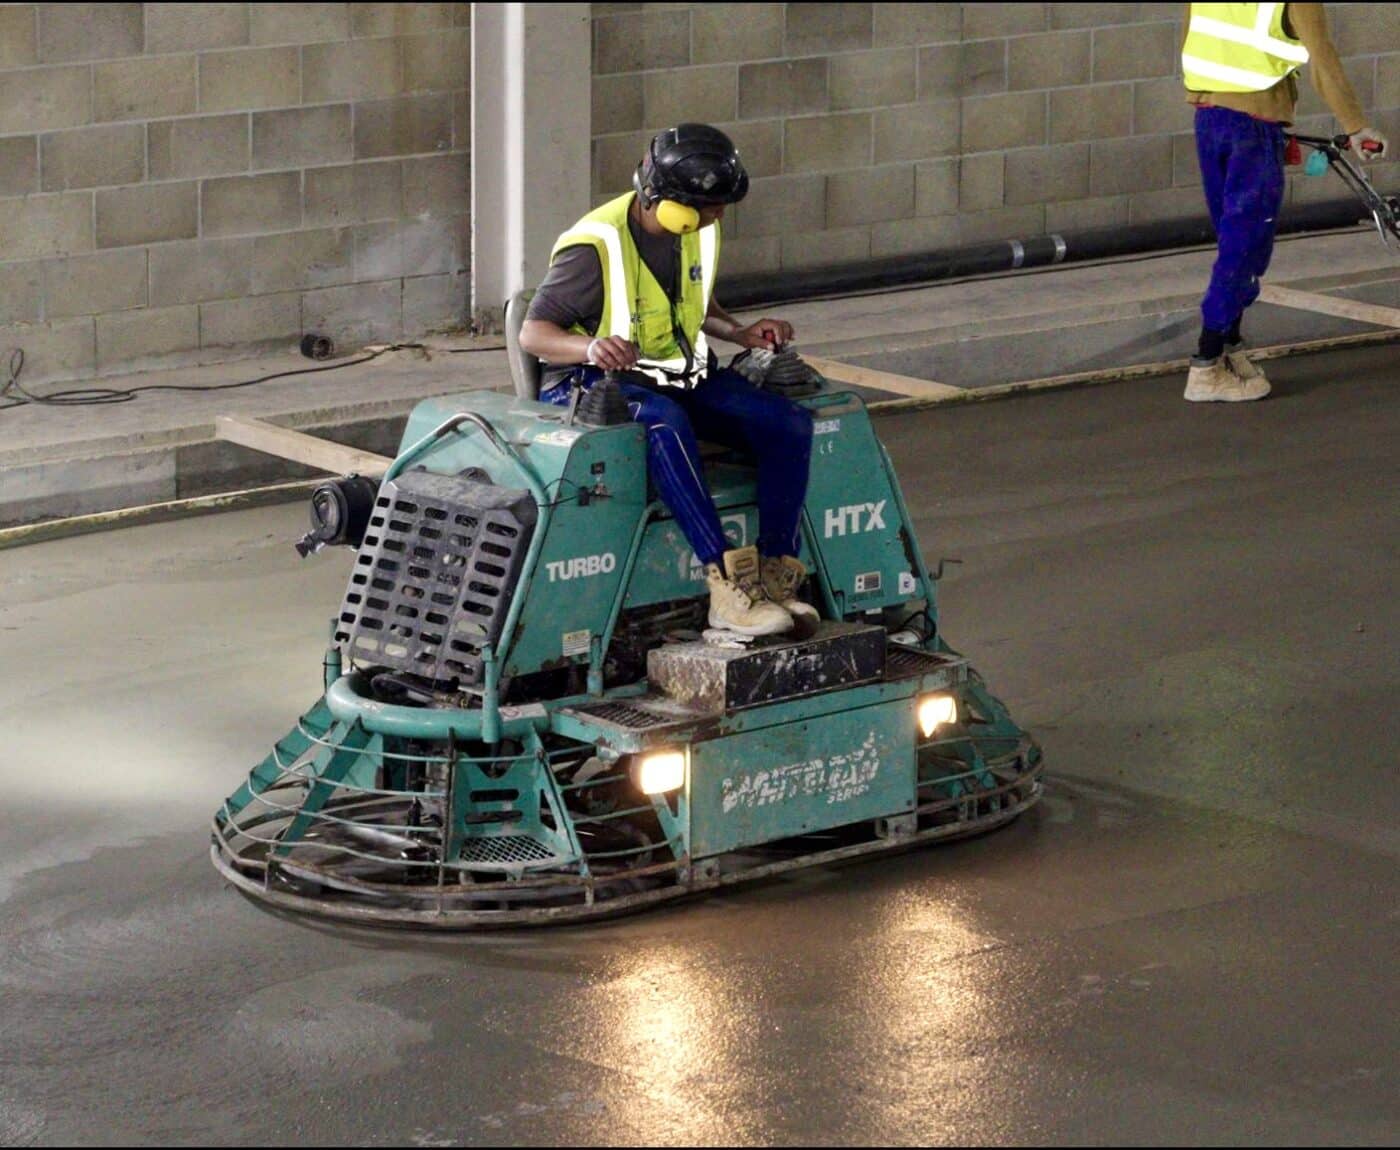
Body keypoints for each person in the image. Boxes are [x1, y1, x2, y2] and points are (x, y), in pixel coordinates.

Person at [519, 123, 817, 637]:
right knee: (666, 423)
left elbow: (696, 308)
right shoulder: (596, 247)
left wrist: (740, 332)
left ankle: (775, 575)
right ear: (670, 202)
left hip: (673, 373)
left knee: (787, 424)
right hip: (593, 384)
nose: (719, 215)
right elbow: (532, 333)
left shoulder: (693, 232)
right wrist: (590, 346)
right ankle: (725, 586)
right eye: (712, 206)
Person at [1180, 2, 1388, 402]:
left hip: (1209, 119)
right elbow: (1324, 64)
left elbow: (1195, 36)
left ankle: (1229, 349)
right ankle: (1205, 364)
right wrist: (1356, 126)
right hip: (1251, 128)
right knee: (1245, 247)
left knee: (1233, 240)